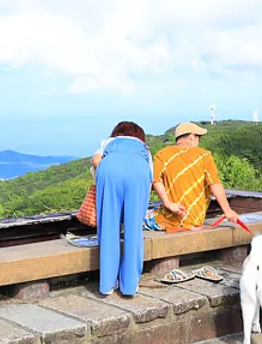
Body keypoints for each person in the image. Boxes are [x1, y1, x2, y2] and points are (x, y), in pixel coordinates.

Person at [90, 121, 182, 297]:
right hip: (139, 172)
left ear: (116, 132)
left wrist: (106, 175)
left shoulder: (109, 142)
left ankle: (107, 284)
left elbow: (96, 160)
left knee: (109, 227)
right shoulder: (144, 148)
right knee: (133, 230)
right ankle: (130, 286)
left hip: (109, 170)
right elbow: (151, 179)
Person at [153, 121, 241, 233]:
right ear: (192, 137)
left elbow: (155, 181)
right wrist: (227, 210)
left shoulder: (162, 154)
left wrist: (167, 203)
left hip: (168, 221)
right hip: (194, 221)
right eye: (199, 137)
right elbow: (215, 184)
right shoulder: (204, 155)